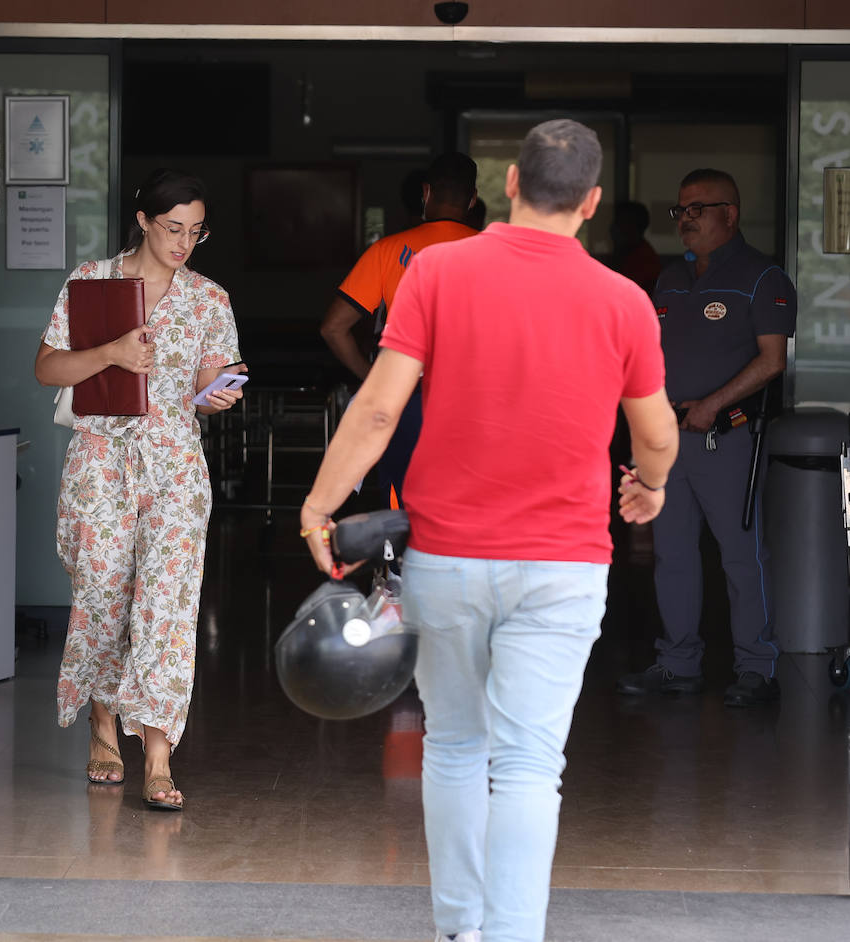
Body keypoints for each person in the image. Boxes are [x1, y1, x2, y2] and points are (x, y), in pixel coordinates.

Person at [300, 119, 678, 942]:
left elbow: (378, 408)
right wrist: (648, 488)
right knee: (530, 769)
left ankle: (458, 930)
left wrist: (321, 505)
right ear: (592, 203)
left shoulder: (437, 270)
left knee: (456, 750)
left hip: (449, 558)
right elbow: (653, 435)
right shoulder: (623, 299)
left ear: (506, 186)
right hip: (564, 564)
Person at [33, 169, 244, 811]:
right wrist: (113, 353)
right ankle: (103, 729)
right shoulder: (91, 282)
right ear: (144, 220)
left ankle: (157, 753)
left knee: (168, 607)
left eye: (195, 232)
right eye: (173, 228)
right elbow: (48, 369)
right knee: (100, 596)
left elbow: (210, 389)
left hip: (176, 465)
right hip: (101, 462)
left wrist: (219, 397)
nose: (184, 243)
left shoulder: (209, 299)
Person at [616, 169, 796, 708]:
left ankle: (757, 669)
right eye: (680, 210)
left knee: (743, 558)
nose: (685, 220)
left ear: (729, 214)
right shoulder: (669, 279)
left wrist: (713, 404)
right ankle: (677, 664)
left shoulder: (763, 278)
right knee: (671, 555)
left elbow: (772, 360)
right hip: (667, 442)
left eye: (697, 209)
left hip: (728, 438)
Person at [318, 152, 480, 504]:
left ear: (425, 193)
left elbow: (334, 328)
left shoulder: (387, 251)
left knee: (403, 512)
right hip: (475, 402)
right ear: (472, 199)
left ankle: (399, 562)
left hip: (404, 397)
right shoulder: (499, 257)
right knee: (466, 509)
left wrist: (372, 377)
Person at [611, 199, 662, 291]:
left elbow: (624, 290)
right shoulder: (627, 252)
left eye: (619, 222)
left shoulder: (644, 258)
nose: (614, 228)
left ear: (632, 226)